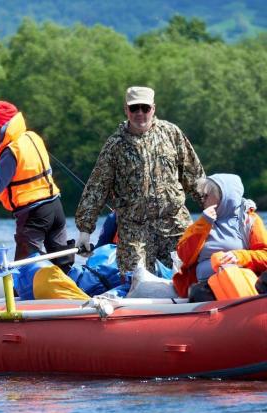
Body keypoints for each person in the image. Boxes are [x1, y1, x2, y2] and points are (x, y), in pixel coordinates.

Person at [75, 86, 205, 275]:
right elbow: (97, 187)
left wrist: (215, 211)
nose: (140, 113)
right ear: (126, 110)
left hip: (174, 225)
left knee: (185, 276)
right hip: (135, 231)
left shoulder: (171, 133)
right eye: (134, 108)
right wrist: (85, 230)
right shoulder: (115, 145)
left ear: (153, 108)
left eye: (145, 108)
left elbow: (194, 175)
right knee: (134, 280)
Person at [0, 100, 73, 271]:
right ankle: (74, 292)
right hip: (56, 207)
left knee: (24, 268)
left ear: (3, 127)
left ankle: (21, 297)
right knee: (63, 263)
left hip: (34, 214)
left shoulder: (11, 150)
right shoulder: (33, 137)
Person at [172, 174, 267, 300]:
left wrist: (239, 257)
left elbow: (265, 255)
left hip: (246, 280)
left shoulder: (249, 220)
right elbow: (184, 256)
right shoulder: (202, 222)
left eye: (206, 195)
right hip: (209, 286)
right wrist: (204, 224)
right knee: (197, 293)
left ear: (224, 196)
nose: (202, 200)